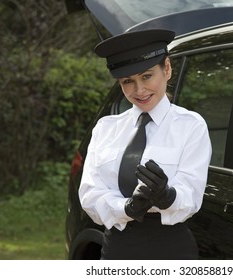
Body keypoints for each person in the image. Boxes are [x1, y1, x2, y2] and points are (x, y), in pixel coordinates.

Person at [78, 28, 212, 260]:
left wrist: (167, 196)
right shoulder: (106, 128)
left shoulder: (190, 125)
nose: (139, 90)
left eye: (147, 76)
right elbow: (90, 193)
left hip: (171, 249)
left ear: (167, 69)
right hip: (117, 249)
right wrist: (126, 208)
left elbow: (191, 194)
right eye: (128, 81)